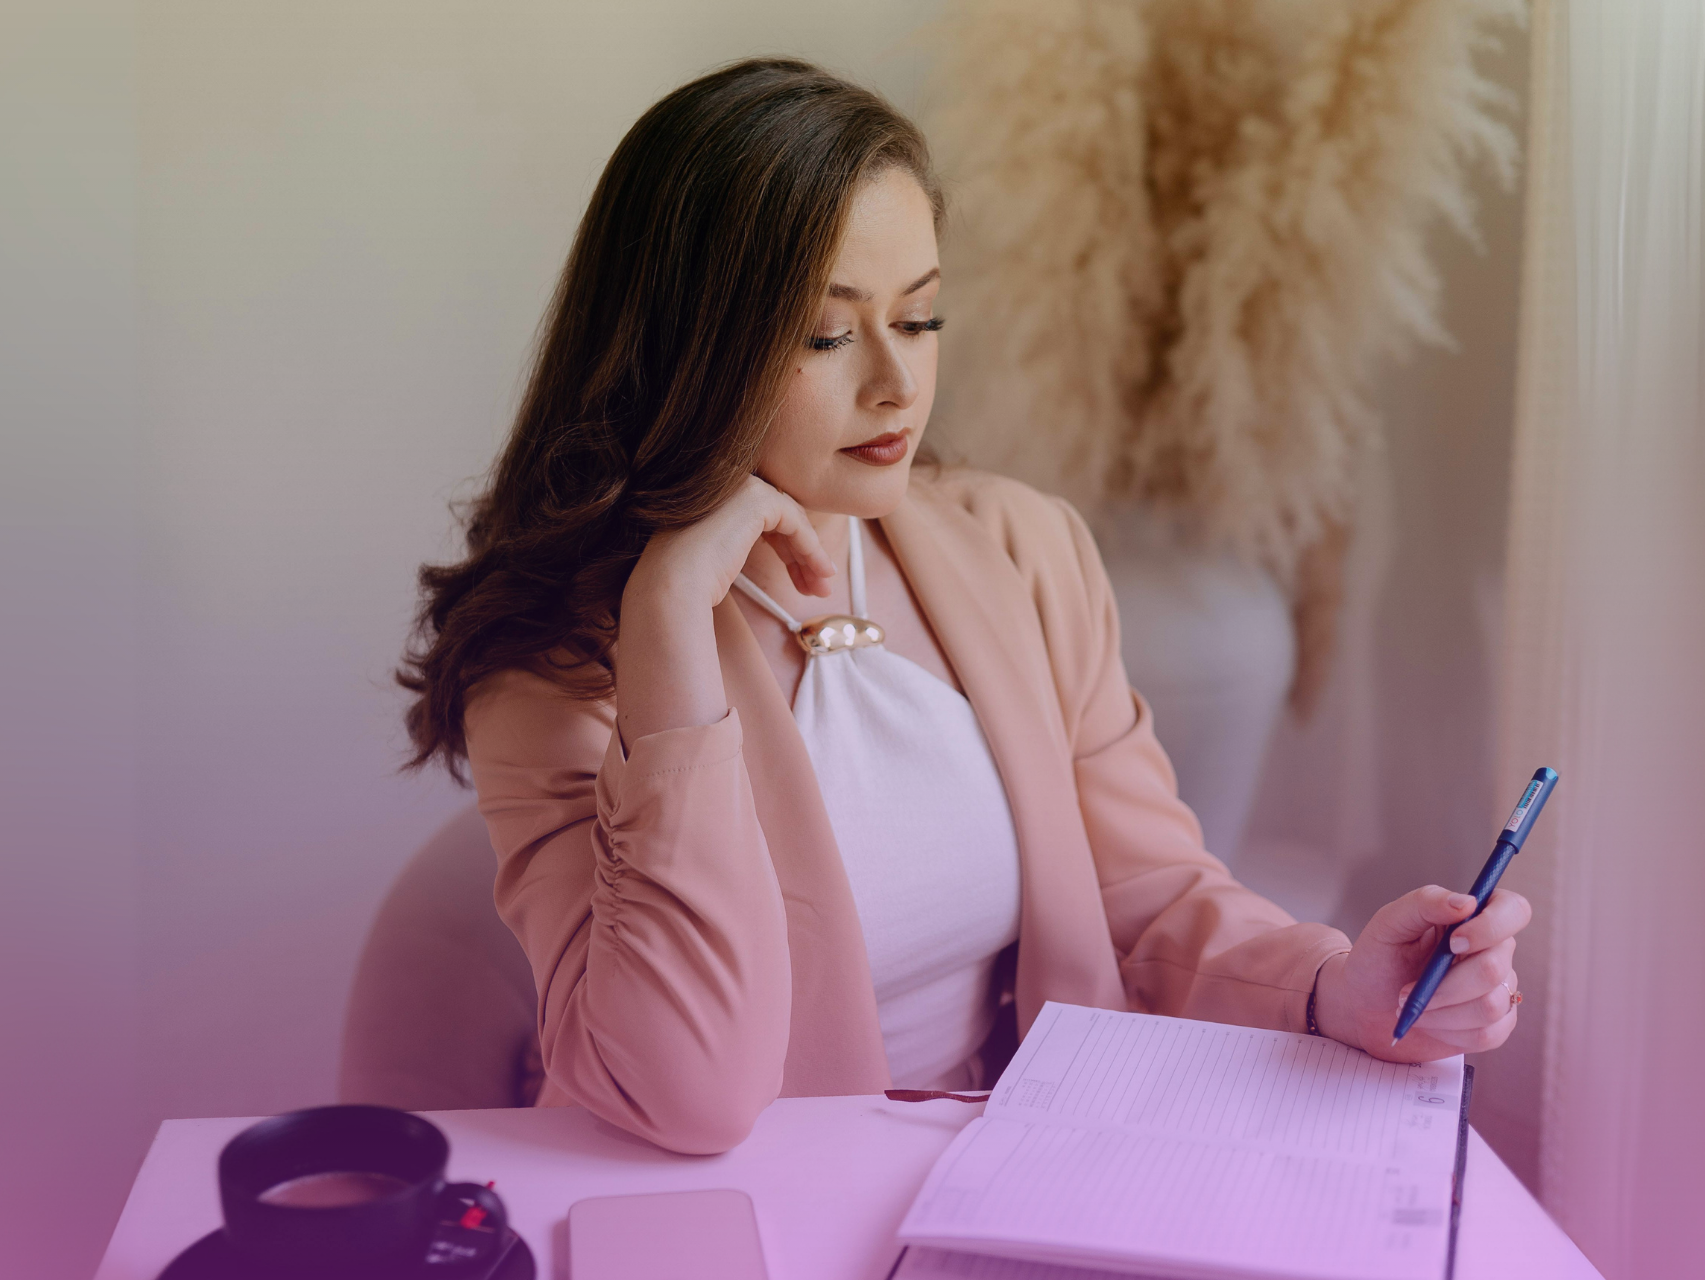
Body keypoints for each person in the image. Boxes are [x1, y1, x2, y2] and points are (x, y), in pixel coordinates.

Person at [397, 58, 1530, 1155]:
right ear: (689, 350)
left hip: (1019, 1186)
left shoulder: (1020, 549)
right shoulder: (558, 670)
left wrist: (1337, 988)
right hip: (746, 1213)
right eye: (827, 333)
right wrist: (670, 624)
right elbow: (685, 1090)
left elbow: (1146, 898)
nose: (896, 382)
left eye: (922, 316)